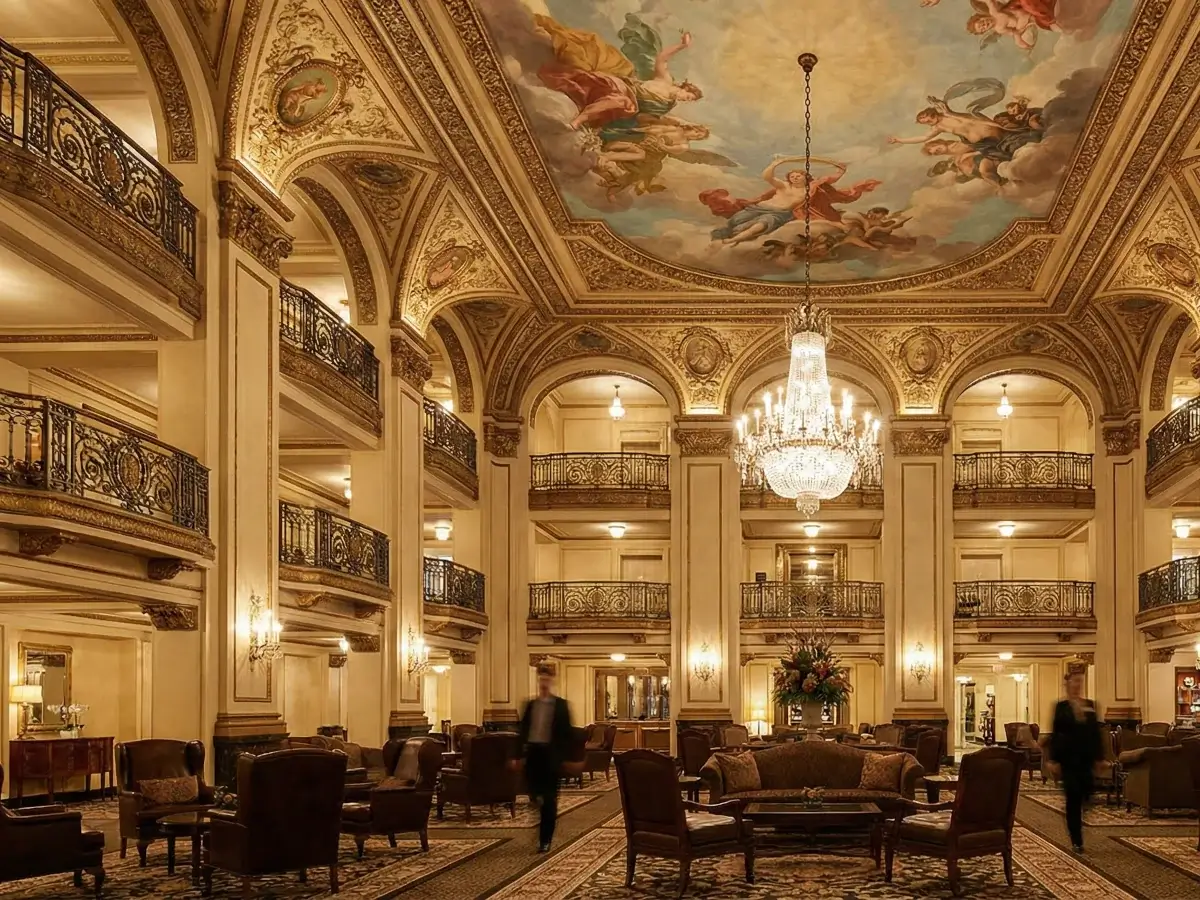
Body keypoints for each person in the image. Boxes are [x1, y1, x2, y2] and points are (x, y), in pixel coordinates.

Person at [517, 665, 573, 853]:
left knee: (549, 799)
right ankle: (541, 815)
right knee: (535, 795)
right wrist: (516, 756)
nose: (544, 683)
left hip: (551, 756)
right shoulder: (531, 705)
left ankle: (545, 839)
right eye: (541, 679)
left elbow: (567, 734)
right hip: (533, 755)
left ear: (552, 681)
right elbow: (522, 731)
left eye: (547, 679)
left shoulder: (561, 706)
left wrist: (567, 758)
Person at [1050, 670, 1103, 853]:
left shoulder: (1090, 705)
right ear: (1067, 684)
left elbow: (1096, 733)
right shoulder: (1061, 707)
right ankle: (1076, 839)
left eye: (1079, 682)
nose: (1076, 685)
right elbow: (1056, 733)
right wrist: (1054, 760)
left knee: (1087, 794)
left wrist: (1099, 758)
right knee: (1073, 798)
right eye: (1073, 682)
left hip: (1086, 758)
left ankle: (1084, 807)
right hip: (1068, 758)